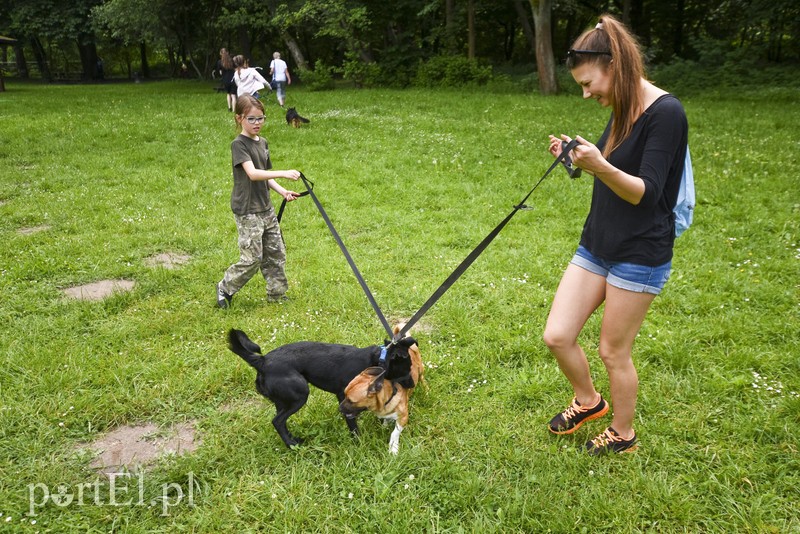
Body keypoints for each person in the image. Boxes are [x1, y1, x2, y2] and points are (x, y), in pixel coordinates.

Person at [541, 14, 688, 455]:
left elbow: (646, 193)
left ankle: (624, 434)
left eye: (589, 84)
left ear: (615, 66)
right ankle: (589, 402)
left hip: (639, 253)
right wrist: (576, 159)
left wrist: (599, 165)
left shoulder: (667, 112)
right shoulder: (622, 105)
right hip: (597, 242)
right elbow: (610, 168)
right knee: (558, 335)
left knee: (612, 351)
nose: (587, 94)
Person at [216, 95, 302, 308]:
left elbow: (266, 174)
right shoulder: (239, 145)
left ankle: (277, 294)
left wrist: (283, 191)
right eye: (251, 119)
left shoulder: (263, 143)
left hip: (266, 208)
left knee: (275, 252)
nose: (257, 123)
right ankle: (225, 288)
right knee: (252, 258)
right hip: (248, 211)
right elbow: (253, 173)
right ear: (239, 119)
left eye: (260, 118)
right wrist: (285, 173)